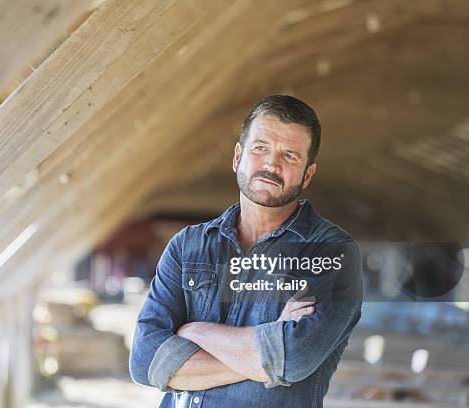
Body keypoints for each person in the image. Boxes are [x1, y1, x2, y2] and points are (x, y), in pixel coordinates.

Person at [129, 95, 363, 407]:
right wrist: (263, 355)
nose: (271, 164)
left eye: (289, 156)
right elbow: (145, 360)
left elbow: (291, 360)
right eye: (260, 148)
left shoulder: (332, 253)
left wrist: (193, 330)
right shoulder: (188, 246)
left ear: (307, 175)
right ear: (238, 156)